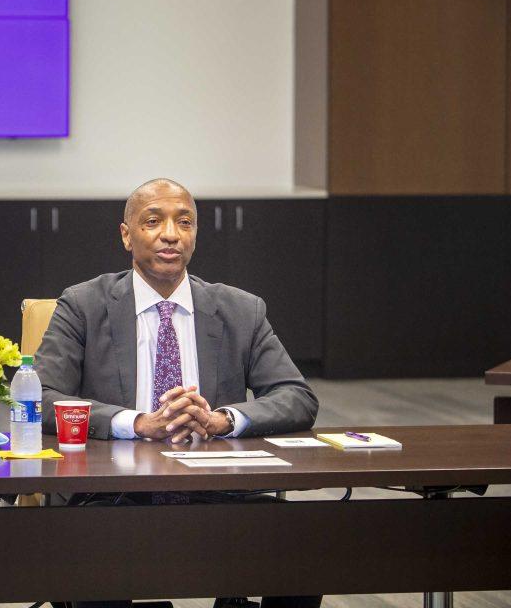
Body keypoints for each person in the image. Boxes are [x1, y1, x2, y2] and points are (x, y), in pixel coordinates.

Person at [34, 178, 321, 608]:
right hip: (111, 494)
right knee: (96, 545)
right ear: (127, 235)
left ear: (195, 235)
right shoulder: (83, 305)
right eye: (154, 221)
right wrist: (135, 423)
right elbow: (40, 396)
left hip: (217, 492)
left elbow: (297, 395)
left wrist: (223, 420)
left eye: (184, 222)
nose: (171, 233)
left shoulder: (241, 309)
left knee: (301, 540)